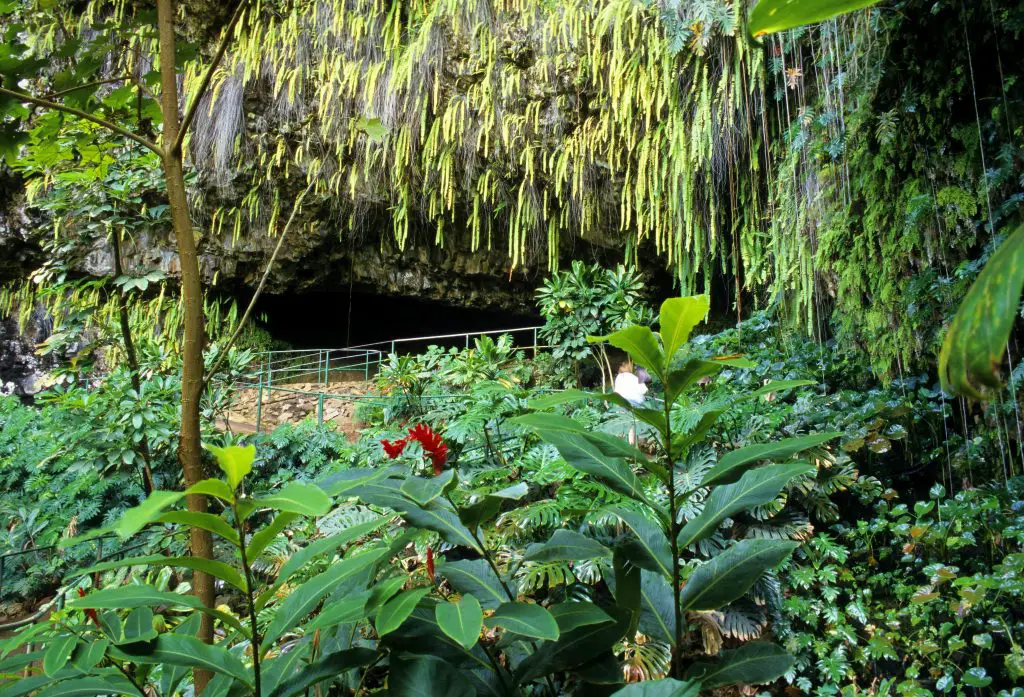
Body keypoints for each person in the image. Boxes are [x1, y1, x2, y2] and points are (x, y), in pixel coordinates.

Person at [614, 361, 647, 444]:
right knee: (636, 423)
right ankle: (638, 442)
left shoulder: (619, 377)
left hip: (622, 403)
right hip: (635, 403)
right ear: (625, 366)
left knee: (628, 424)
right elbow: (644, 390)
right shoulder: (633, 377)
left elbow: (617, 392)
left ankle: (629, 444)